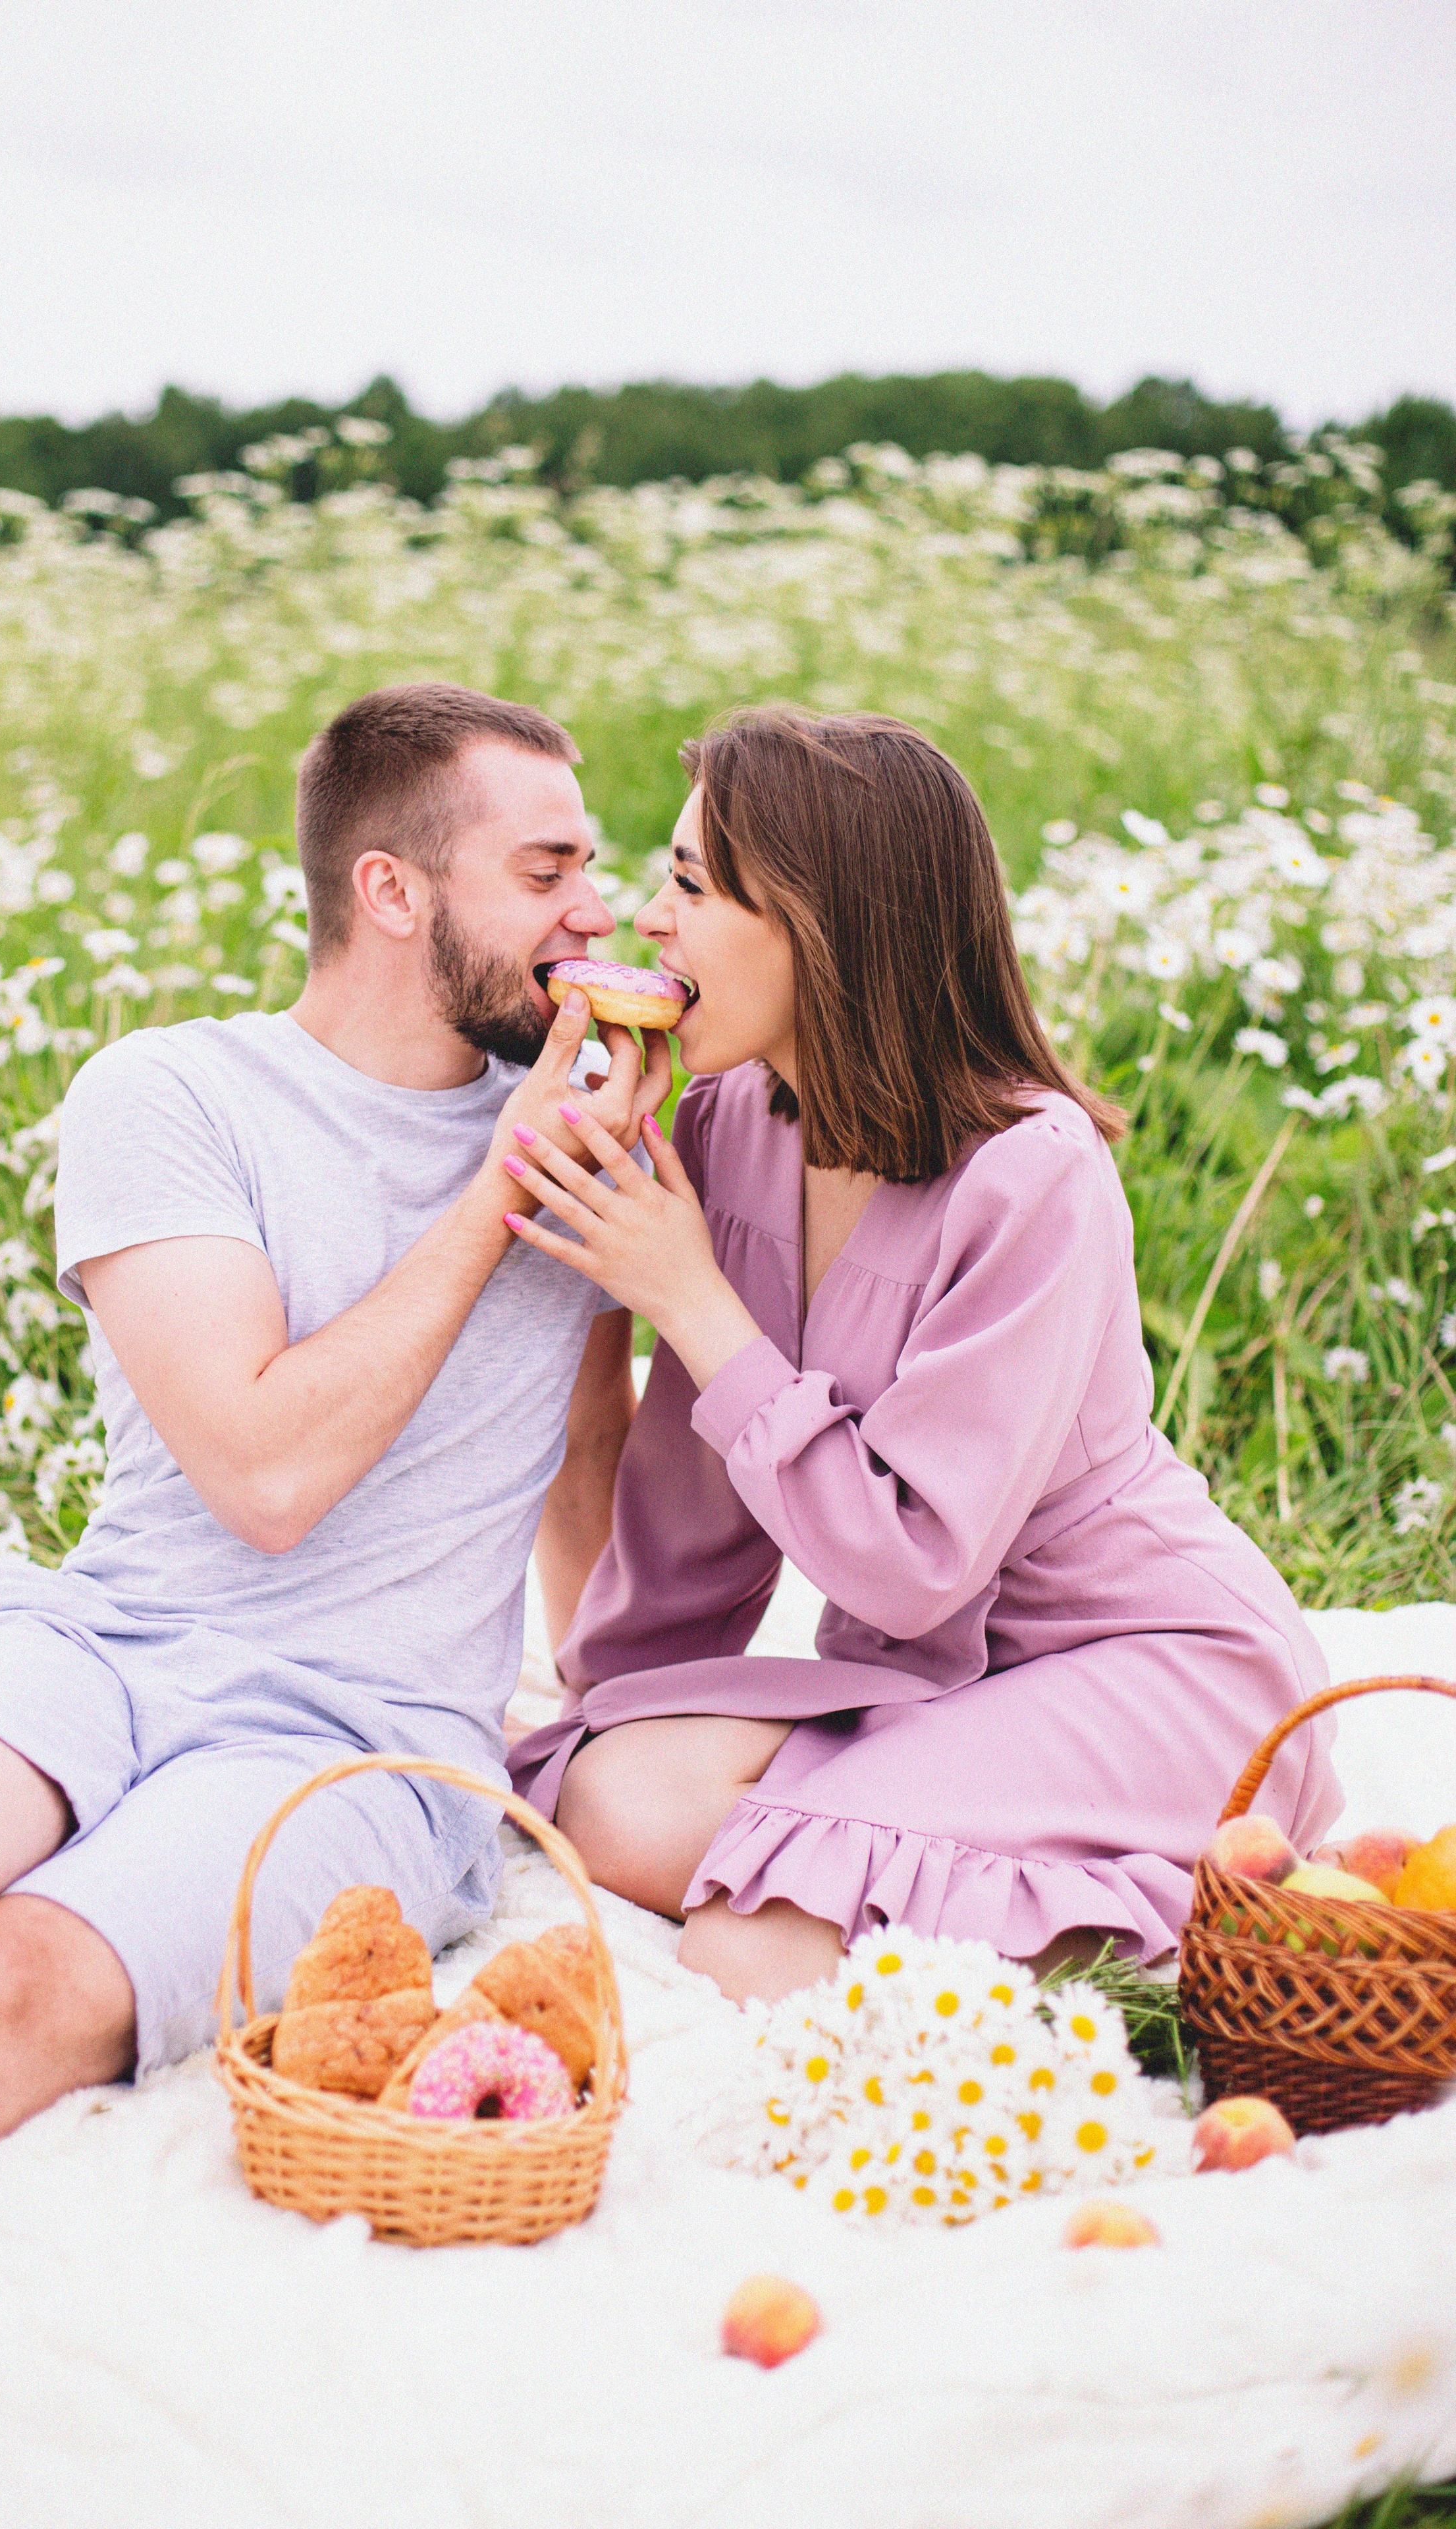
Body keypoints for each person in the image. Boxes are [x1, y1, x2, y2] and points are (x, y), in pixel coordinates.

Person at [0, 682, 670, 2283]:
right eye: (543, 874)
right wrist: (500, 1189)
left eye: (591, 866)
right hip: (101, 1646)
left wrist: (598, 1725)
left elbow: (581, 1459)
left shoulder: (592, 1144)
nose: (595, 911)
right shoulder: (172, 1094)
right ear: (391, 892)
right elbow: (263, 1472)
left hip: (354, 1745)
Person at [502, 707, 1341, 2002]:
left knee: (752, 1942)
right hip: (929, 1686)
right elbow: (689, 1497)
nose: (643, 923)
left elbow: (908, 1572)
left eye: (686, 885)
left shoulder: (1033, 1175)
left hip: (1144, 1663)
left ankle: (1215, 1914)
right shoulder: (729, 1120)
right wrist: (613, 1707)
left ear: (819, 926)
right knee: (609, 1798)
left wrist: (692, 1299)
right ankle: (940, 1843)